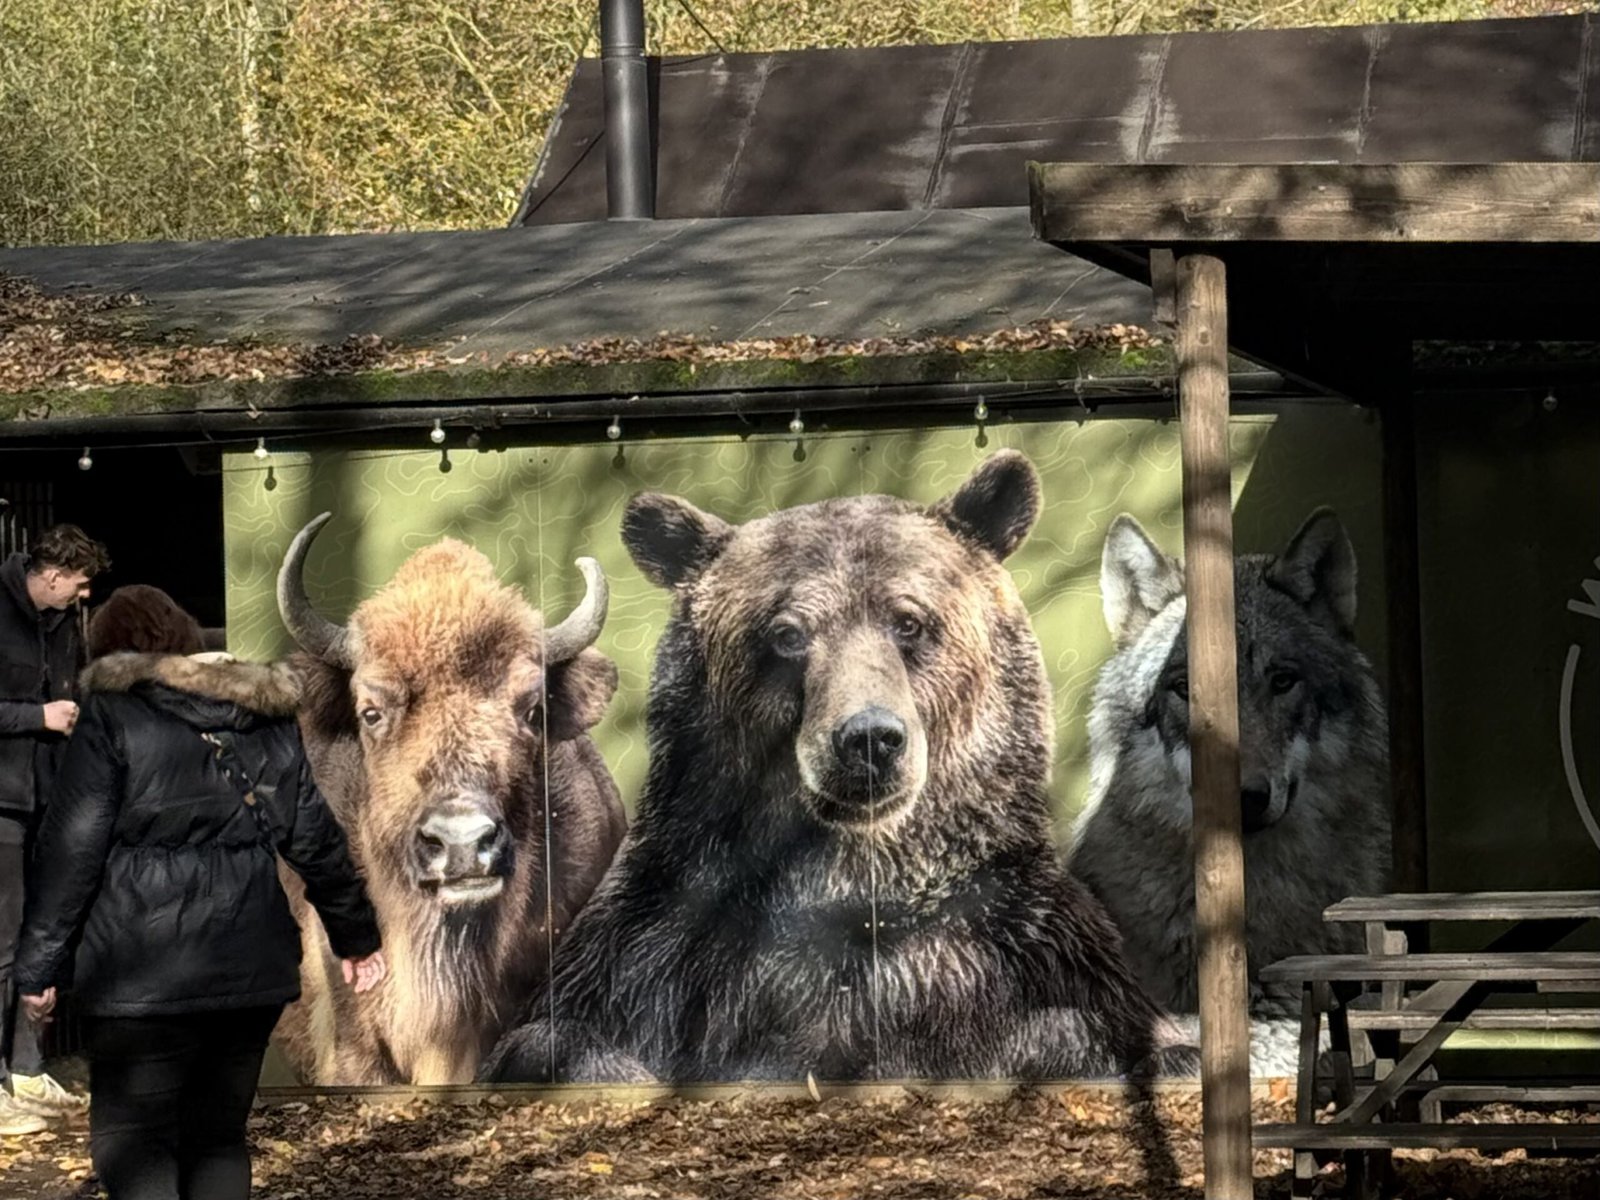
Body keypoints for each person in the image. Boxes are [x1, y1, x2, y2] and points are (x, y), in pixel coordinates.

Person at [13, 585, 386, 1199]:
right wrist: (357, 938)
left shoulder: (111, 718)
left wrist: (38, 971)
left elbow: (69, 852)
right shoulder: (266, 717)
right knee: (218, 1139)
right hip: (247, 970)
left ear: (111, 652)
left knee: (135, 1143)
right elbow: (314, 839)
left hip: (139, 974)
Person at [0, 523, 109, 1134]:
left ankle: (26, 1068)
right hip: (2, 799)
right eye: (80, 583)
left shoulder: (65, 620)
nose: (84, 595)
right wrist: (36, 716)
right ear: (51, 576)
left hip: (46, 796)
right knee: (3, 941)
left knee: (38, 936)